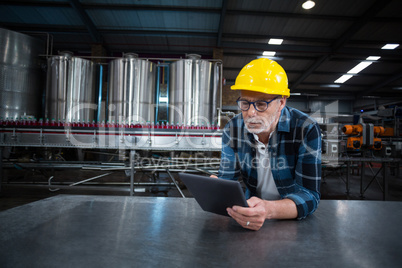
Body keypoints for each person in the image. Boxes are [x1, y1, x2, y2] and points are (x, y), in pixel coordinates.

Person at [216, 58, 321, 231]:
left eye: (261, 104)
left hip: (292, 219)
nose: (251, 112)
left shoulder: (305, 128)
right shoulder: (233, 128)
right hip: (251, 215)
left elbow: (310, 195)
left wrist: (269, 209)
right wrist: (219, 191)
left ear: (281, 102)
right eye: (245, 103)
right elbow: (227, 180)